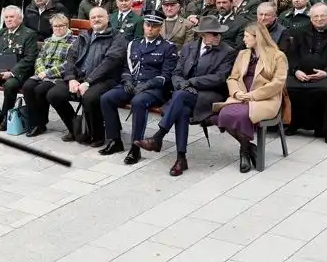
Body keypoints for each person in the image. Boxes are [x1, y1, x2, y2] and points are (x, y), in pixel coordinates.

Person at [135, 16, 236, 176]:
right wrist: (182, 84)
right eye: (214, 33)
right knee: (181, 109)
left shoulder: (227, 52)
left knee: (180, 98)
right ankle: (180, 158)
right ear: (202, 34)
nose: (218, 36)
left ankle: (158, 137)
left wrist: (191, 82)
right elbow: (176, 72)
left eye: (219, 33)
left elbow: (219, 78)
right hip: (185, 92)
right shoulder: (189, 47)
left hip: (209, 94)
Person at [99, 10, 179, 164]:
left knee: (138, 102)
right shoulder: (134, 44)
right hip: (133, 84)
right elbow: (126, 68)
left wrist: (147, 85)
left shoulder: (168, 47)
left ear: (160, 27)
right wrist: (127, 81)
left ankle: (135, 147)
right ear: (143, 25)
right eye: (148, 25)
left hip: (154, 89)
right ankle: (115, 140)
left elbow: (166, 75)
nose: (150, 28)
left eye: (154, 26)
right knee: (106, 98)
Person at [47, 6, 126, 146]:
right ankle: (75, 129)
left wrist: (88, 81)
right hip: (80, 77)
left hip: (105, 79)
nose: (96, 19)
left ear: (107, 18)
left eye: (100, 16)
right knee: (54, 94)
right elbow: (71, 57)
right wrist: (71, 78)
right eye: (93, 17)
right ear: (89, 20)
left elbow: (110, 62)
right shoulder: (84, 35)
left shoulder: (117, 37)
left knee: (89, 97)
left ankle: (97, 135)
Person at [214, 22, 287, 173]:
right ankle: (250, 148)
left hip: (265, 99)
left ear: (257, 37)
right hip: (241, 96)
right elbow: (233, 78)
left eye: (247, 36)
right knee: (223, 114)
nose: (244, 40)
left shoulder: (278, 56)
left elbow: (278, 83)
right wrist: (236, 93)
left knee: (242, 115)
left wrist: (252, 95)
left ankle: (244, 153)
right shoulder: (243, 54)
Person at [286, 3, 327, 143]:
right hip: (301, 74)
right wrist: (296, 71)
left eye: (322, 16)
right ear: (310, 18)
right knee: (286, 87)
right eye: (315, 16)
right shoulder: (300, 32)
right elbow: (292, 55)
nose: (319, 19)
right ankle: (293, 123)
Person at [0, 5, 39, 130]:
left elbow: (29, 58)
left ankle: (6, 115)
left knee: (10, 85)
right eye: (6, 17)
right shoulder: (1, 33)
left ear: (20, 18)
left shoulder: (29, 34)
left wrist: (11, 73)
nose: (8, 20)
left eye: (12, 17)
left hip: (18, 72)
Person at [20, 14, 76, 137]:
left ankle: (40, 123)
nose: (58, 28)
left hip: (58, 77)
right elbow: (39, 58)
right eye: (55, 26)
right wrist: (41, 71)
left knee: (40, 90)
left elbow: (68, 64)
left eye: (61, 25)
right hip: (42, 73)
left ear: (67, 26)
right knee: (27, 87)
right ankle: (35, 122)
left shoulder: (74, 42)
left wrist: (47, 73)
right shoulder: (48, 41)